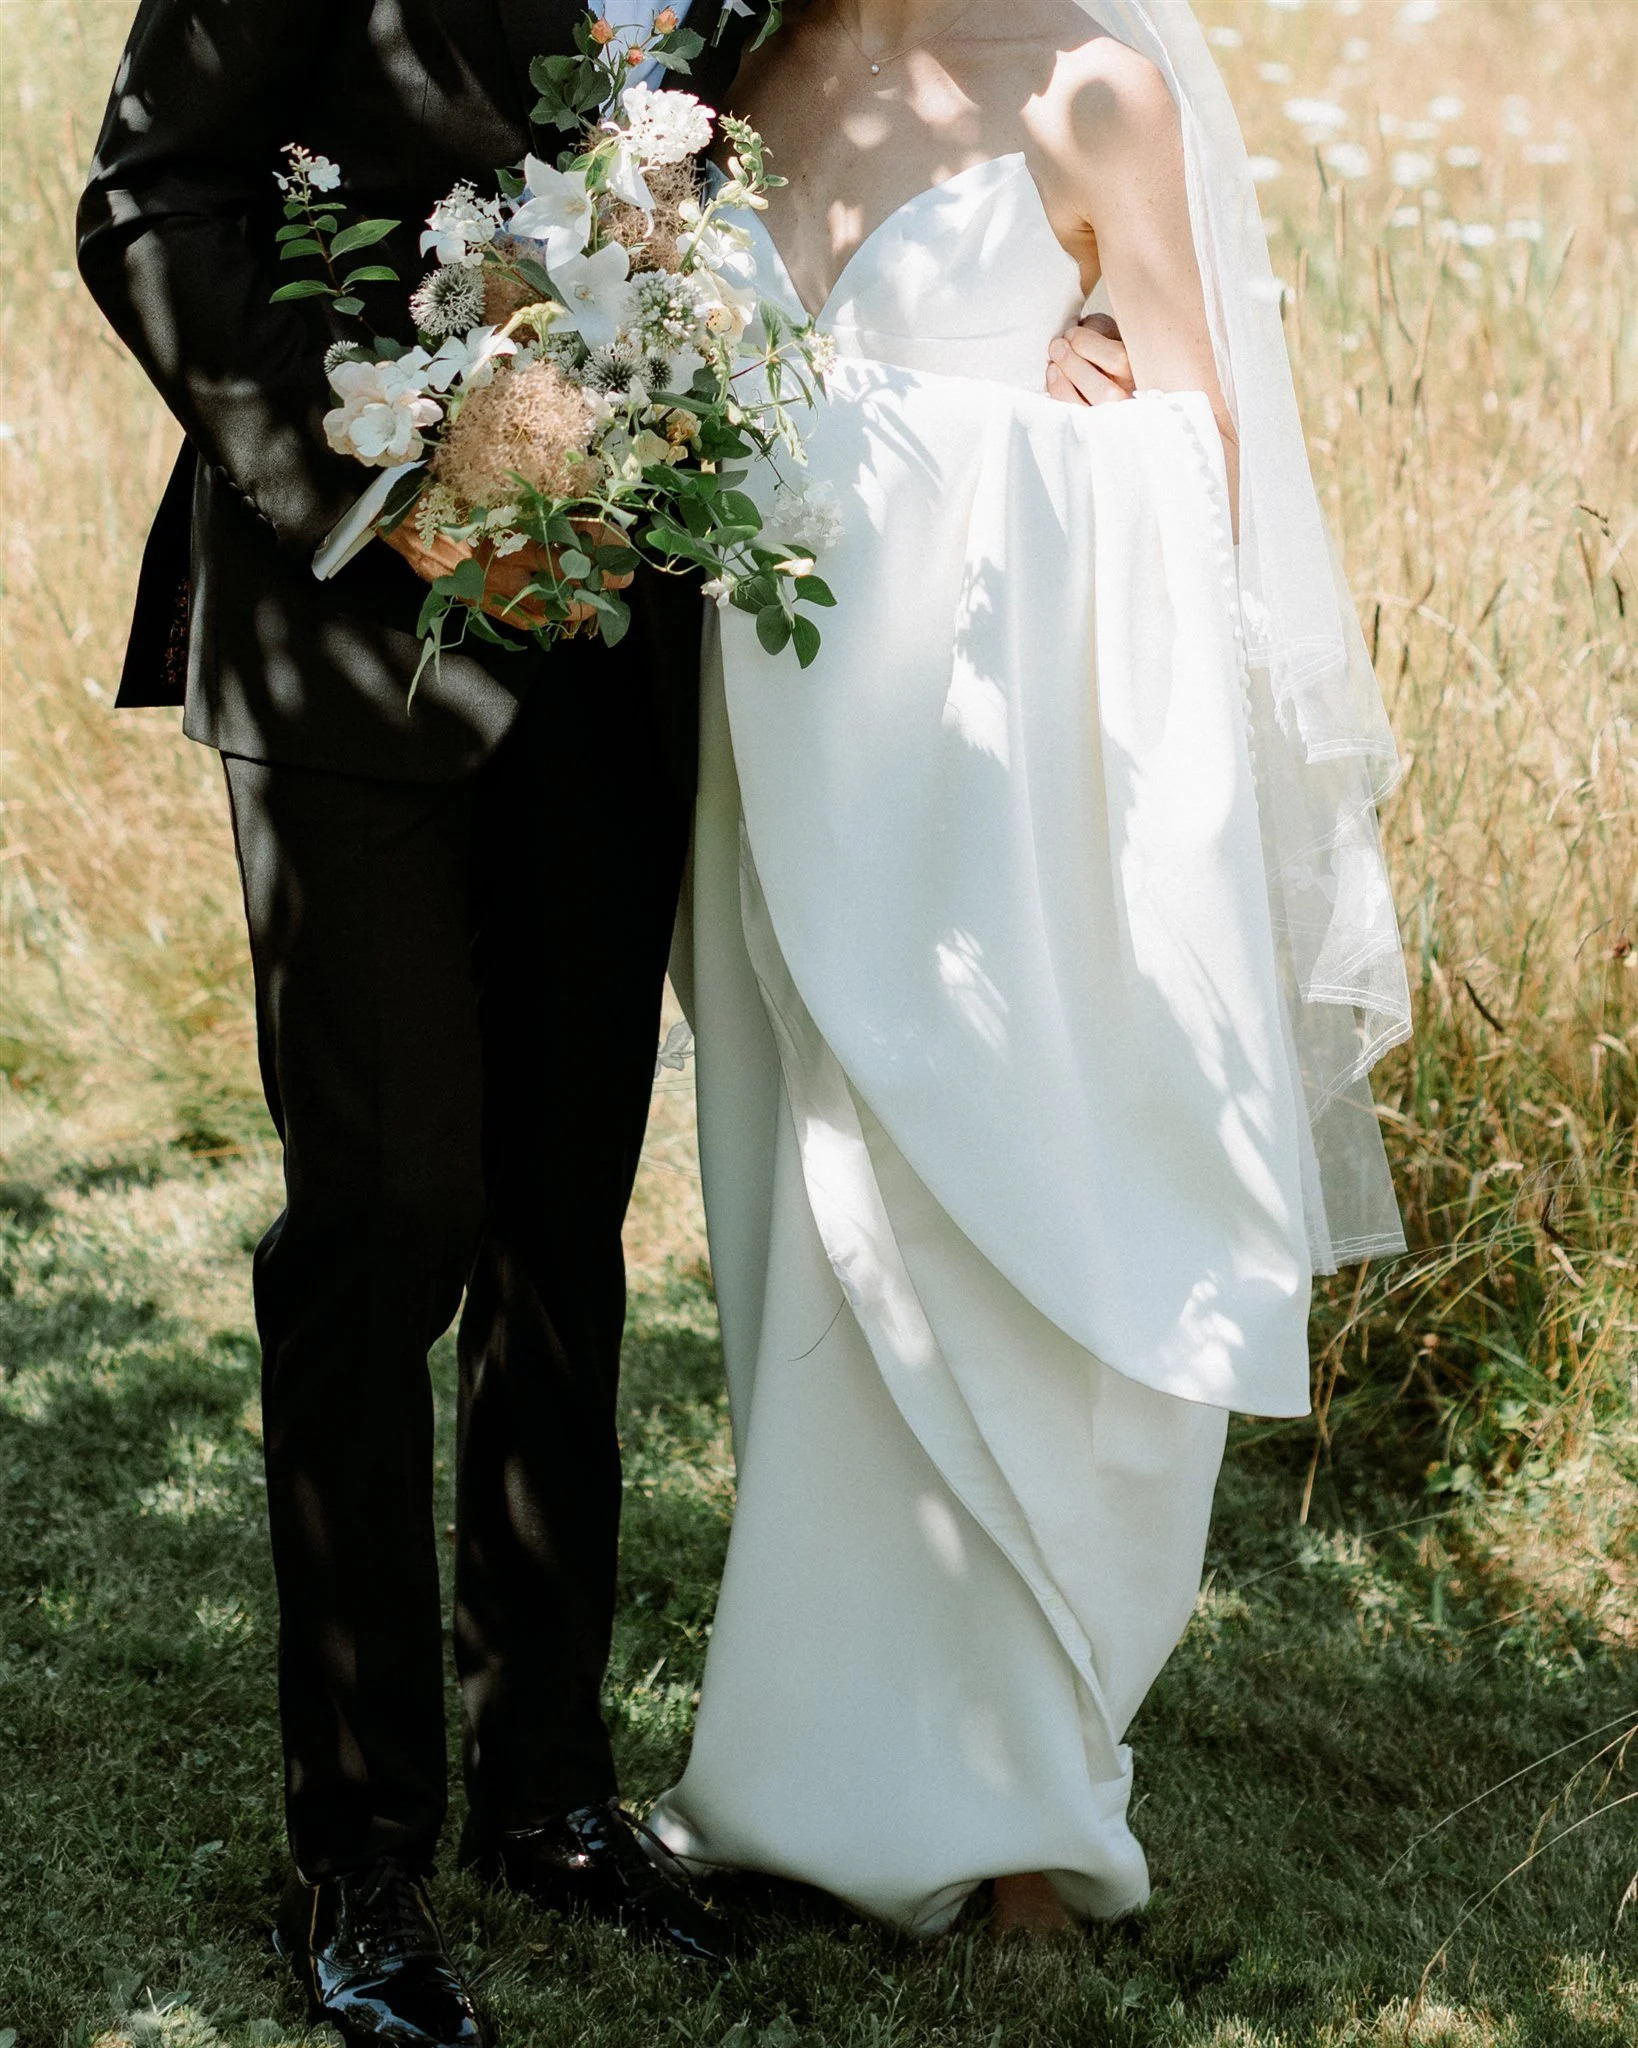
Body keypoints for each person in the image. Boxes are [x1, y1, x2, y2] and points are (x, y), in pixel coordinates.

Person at [650, 0, 1411, 1936]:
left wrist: (1058, 457)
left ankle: (1022, 1815)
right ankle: (839, 1769)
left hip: (999, 786)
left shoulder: (1092, 88)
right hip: (778, 765)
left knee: (996, 1252)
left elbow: (1203, 469)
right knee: (806, 1238)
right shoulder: (736, 71)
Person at [76, 2, 761, 2039]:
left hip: (616, 634)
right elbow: (152, 197)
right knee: (389, 1218)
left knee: (564, 1219)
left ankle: (544, 1793)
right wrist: (366, 474)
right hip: (346, 629)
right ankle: (356, 1848)